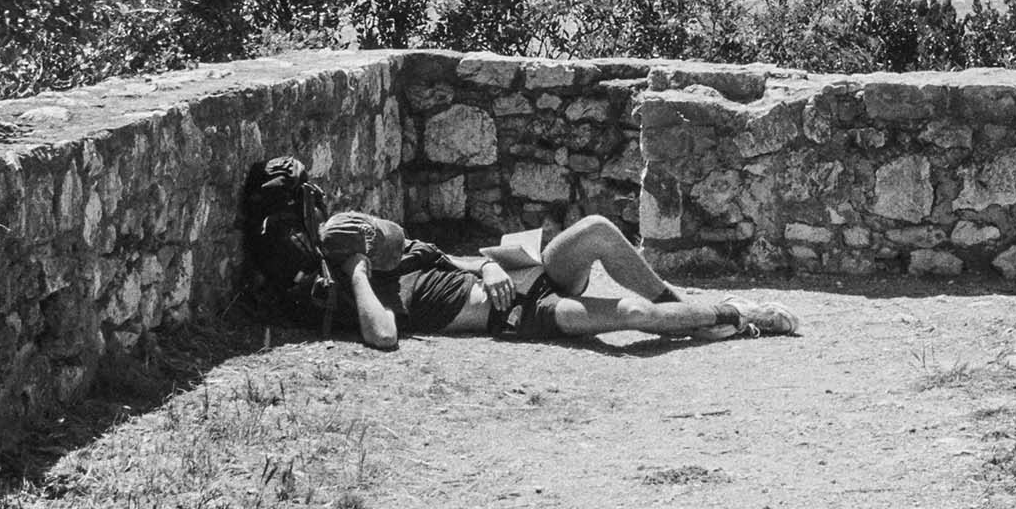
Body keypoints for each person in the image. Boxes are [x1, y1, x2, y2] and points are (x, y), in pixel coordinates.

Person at [317, 209, 800, 351]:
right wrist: (356, 271)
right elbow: (382, 338)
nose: (396, 246)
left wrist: (486, 266)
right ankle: (734, 315)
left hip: (527, 275)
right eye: (381, 246)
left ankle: (682, 311)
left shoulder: (413, 254)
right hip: (519, 314)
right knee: (631, 315)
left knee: (597, 230)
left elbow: (461, 265)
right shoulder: (378, 295)